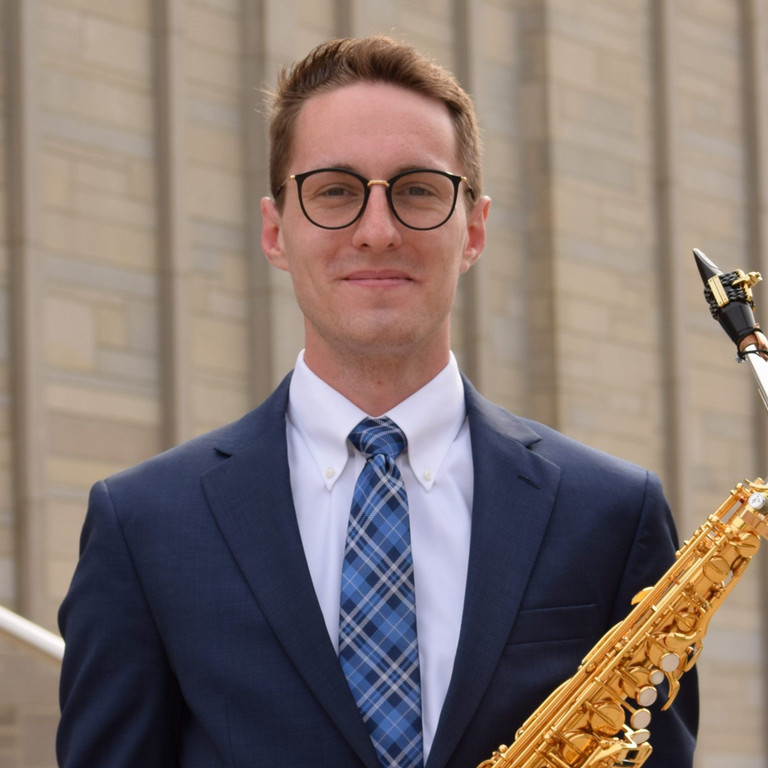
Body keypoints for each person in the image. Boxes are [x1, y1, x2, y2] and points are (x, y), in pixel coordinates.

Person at [57, 35, 698, 768]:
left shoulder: (611, 514)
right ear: (275, 231)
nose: (377, 231)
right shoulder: (143, 525)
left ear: (475, 229)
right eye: (334, 191)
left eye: (419, 190)